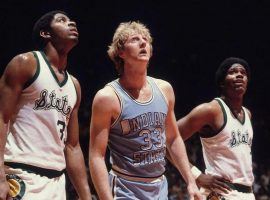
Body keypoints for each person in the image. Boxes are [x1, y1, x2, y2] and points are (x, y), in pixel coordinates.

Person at [88, 21, 202, 200]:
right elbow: (96, 156)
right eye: (134, 39)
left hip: (159, 186)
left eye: (146, 40)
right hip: (126, 187)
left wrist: (191, 181)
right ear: (121, 52)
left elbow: (172, 138)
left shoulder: (165, 89)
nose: (143, 43)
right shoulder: (107, 98)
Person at [0, 10, 91, 199]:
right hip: (20, 173)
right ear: (45, 33)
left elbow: (72, 147)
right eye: (62, 20)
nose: (71, 23)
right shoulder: (25, 63)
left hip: (57, 181)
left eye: (71, 20)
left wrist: (85, 195)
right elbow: (2, 118)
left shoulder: (74, 85)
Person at [177, 57, 255, 200]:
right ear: (222, 82)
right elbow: (166, 139)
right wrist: (196, 175)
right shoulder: (210, 110)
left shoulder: (247, 113)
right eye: (233, 72)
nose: (239, 75)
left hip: (247, 193)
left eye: (243, 73)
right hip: (220, 193)